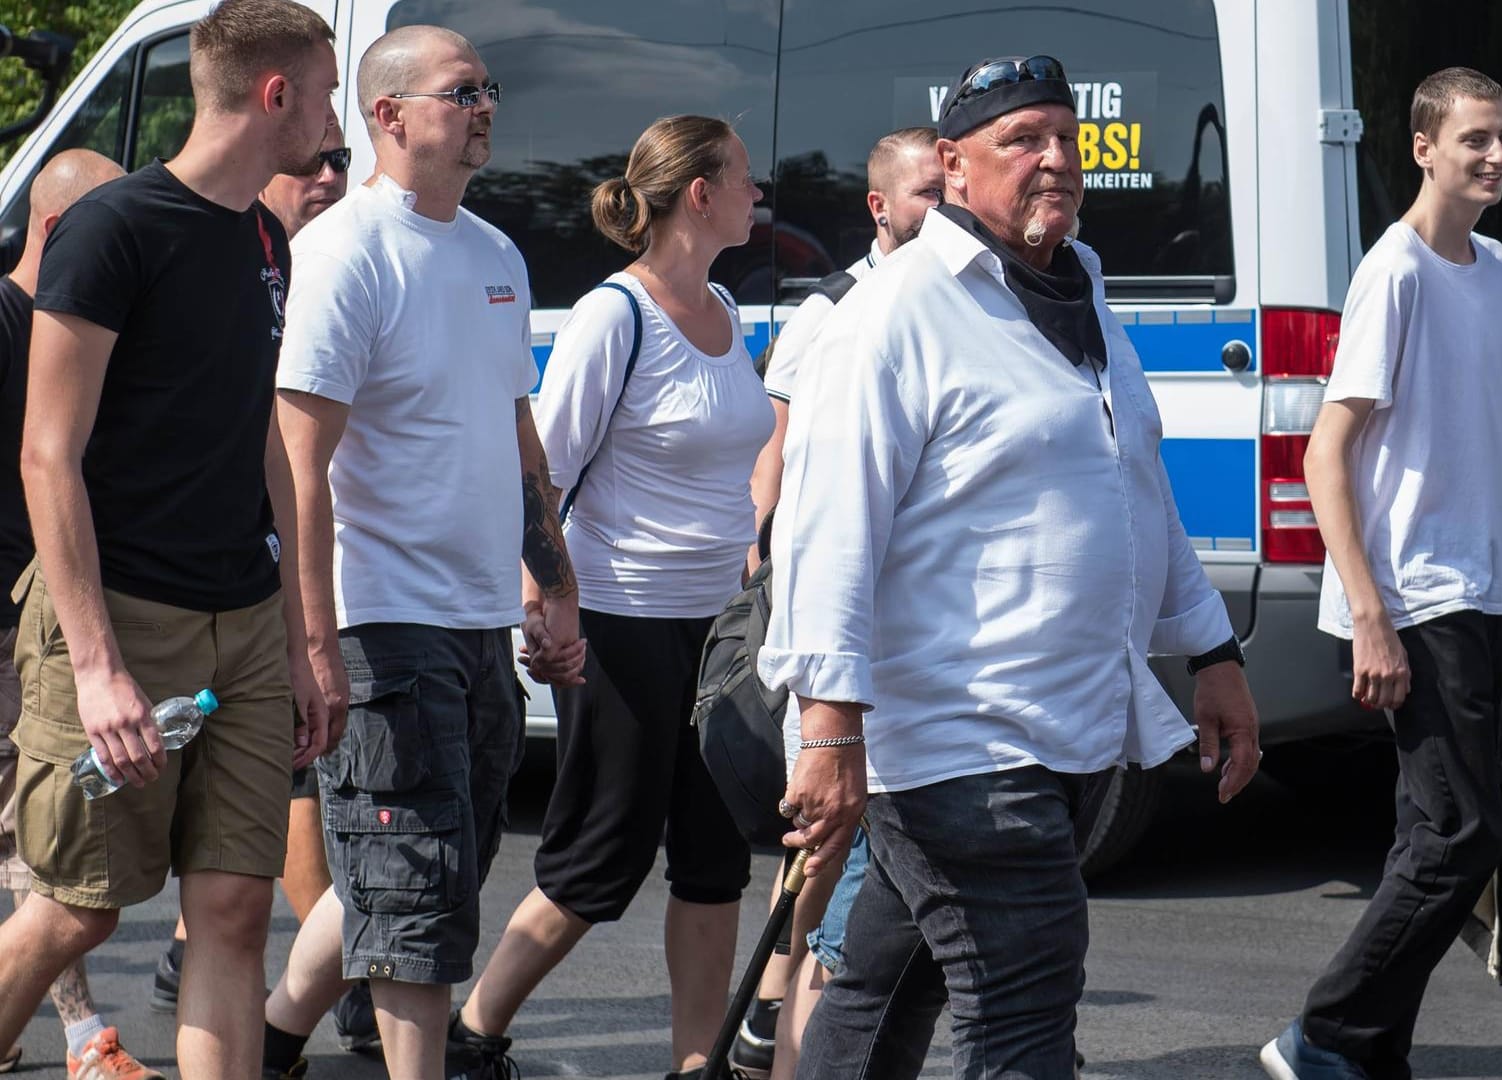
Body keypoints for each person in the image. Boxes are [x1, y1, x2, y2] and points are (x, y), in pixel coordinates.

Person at [761, 55, 1261, 1079]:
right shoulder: (891, 316)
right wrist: (826, 729)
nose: (1055, 162)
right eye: (1022, 141)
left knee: (882, 989)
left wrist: (1211, 650)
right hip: (958, 737)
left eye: (1067, 141)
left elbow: (1139, 487)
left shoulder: (1079, 291)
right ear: (952, 164)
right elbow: (826, 529)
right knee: (1026, 1013)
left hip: (1062, 730)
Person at [0, 2, 339, 1078]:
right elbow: (47, 455)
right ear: (274, 94)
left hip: (241, 618)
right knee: (78, 910)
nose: (335, 127)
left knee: (236, 908)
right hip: (120, 619)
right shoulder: (118, 229)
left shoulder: (262, 237)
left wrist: (302, 636)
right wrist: (97, 670)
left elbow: (268, 449)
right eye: (328, 97)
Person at [260, 24, 583, 1080]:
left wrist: (554, 581)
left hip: (478, 614)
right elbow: (299, 464)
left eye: (489, 89)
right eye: (462, 91)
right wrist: (315, 642)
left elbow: (514, 428)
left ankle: (270, 1041)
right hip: (381, 616)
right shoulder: (343, 251)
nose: (486, 105)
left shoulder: (495, 253)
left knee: (415, 871)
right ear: (389, 115)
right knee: (414, 885)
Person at [453, 113, 768, 1080]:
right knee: (600, 857)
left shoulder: (725, 309)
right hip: (625, 625)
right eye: (746, 178)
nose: (763, 193)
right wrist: (549, 602)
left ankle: (692, 1063)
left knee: (716, 864)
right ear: (701, 195)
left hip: (721, 628)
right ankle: (474, 1033)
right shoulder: (614, 317)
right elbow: (541, 470)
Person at [1262, 67, 1502, 1080]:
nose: (1495, 156)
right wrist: (1368, 614)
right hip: (1418, 598)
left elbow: (1501, 454)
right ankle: (1325, 1035)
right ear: (1424, 146)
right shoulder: (1394, 271)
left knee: (1426, 838)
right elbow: (1324, 453)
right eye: (1475, 137)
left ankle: (1373, 1051)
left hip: (1484, 595)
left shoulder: (1500, 274)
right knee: (1462, 837)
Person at [148, 123, 377, 1051]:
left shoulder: (288, 256)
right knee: (287, 771)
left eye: (341, 163)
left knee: (272, 803)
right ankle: (343, 972)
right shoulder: (235, 256)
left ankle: (202, 951)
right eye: (313, 162)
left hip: (281, 573)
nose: (329, 176)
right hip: (219, 577)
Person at [730, 123, 942, 1080]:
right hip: (840, 633)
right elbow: (775, 453)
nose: (944, 208)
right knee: (835, 873)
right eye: (928, 193)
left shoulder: (958, 302)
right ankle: (780, 1029)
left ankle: (771, 1015)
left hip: (923, 650)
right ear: (881, 206)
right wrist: (767, 551)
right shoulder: (832, 313)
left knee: (847, 881)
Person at [0, 149, 156, 1080]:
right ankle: (79, 1036)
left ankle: (51, 1030)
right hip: (15, 612)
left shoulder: (89, 328)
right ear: (58, 233)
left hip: (51, 611)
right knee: (42, 838)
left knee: (32, 830)